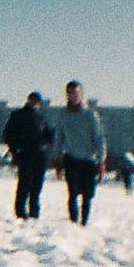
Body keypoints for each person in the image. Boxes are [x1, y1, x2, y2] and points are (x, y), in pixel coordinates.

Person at [51, 79, 105, 225]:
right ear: (66, 95)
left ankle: (84, 223)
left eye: (76, 93)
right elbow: (59, 137)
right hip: (71, 158)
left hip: (88, 160)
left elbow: (99, 138)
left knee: (87, 195)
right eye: (70, 93)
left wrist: (101, 161)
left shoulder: (90, 115)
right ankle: (73, 223)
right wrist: (56, 159)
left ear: (81, 94)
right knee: (73, 193)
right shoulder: (63, 114)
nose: (73, 96)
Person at [2, 91, 54, 219]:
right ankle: (20, 212)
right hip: (25, 154)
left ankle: (34, 212)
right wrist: (15, 150)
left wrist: (49, 140)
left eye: (37, 101)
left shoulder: (41, 117)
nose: (35, 103)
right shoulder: (18, 115)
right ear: (28, 100)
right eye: (33, 100)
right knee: (24, 184)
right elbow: (7, 135)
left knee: (37, 185)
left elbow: (48, 135)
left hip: (40, 155)